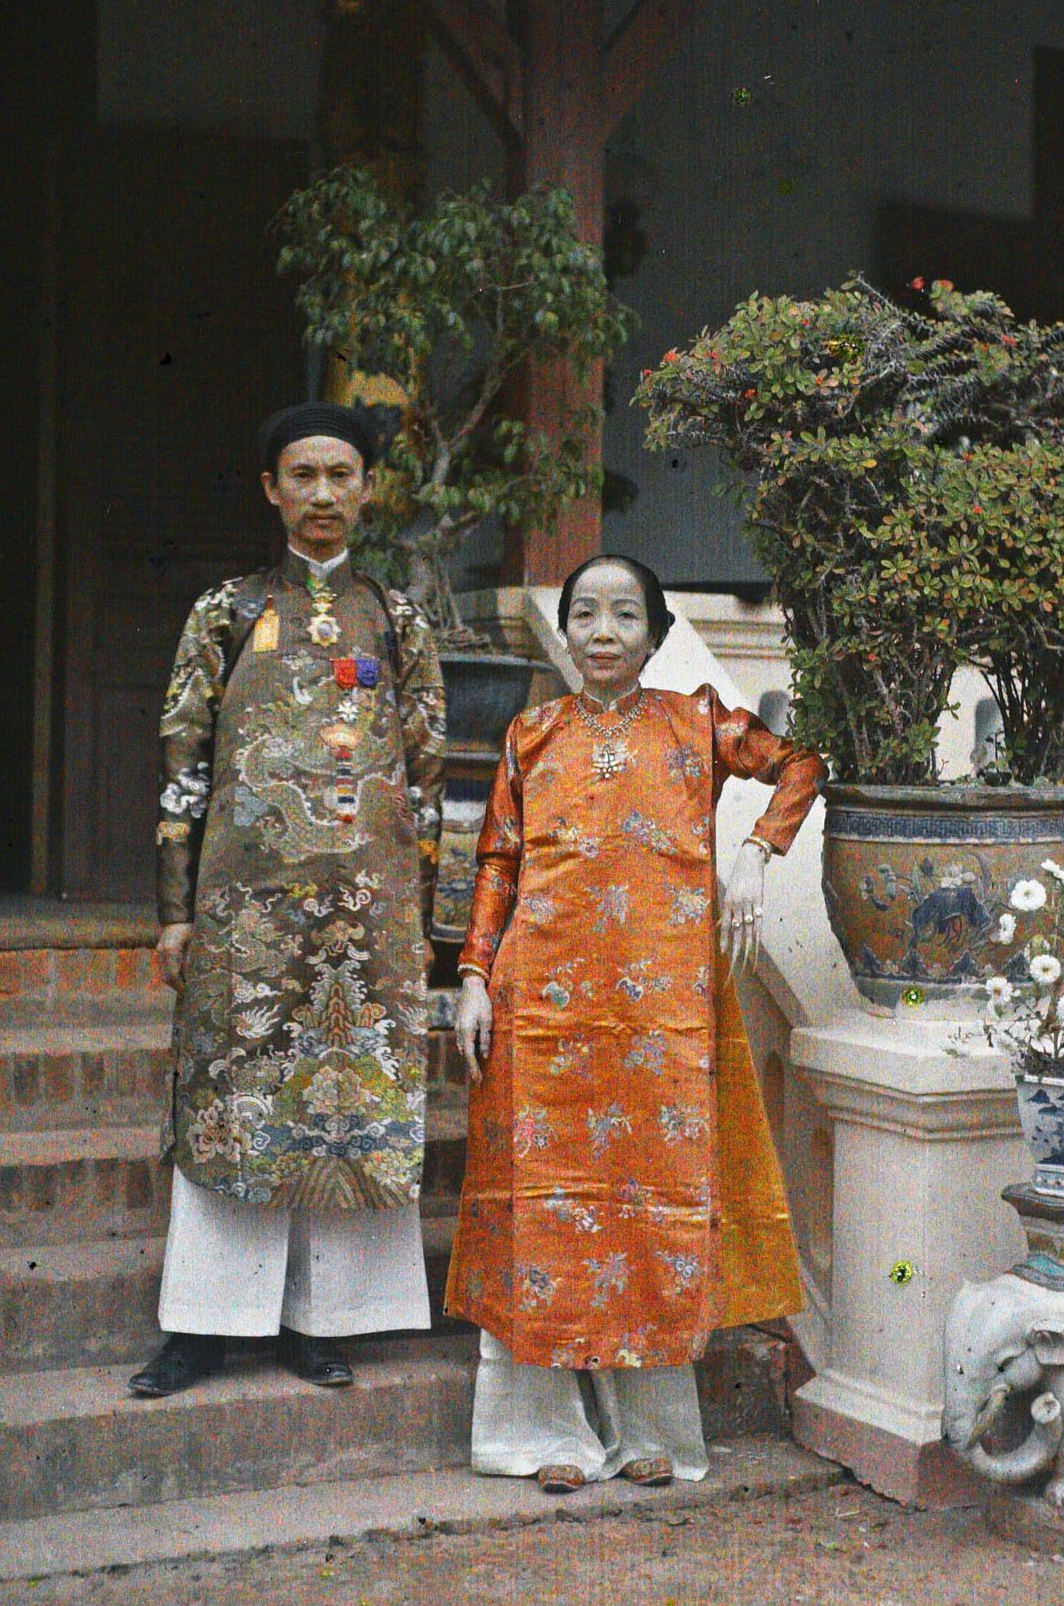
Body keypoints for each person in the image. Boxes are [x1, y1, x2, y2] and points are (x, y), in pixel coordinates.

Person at [445, 556, 824, 1489]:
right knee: (546, 1215)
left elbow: (801, 766)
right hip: (540, 1011)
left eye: (624, 615)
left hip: (661, 1013)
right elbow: (497, 862)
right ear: (566, 631)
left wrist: (752, 854)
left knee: (649, 1211)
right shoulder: (529, 735)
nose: (602, 631)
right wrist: (473, 978)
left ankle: (649, 1435)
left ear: (653, 635)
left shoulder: (695, 722)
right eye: (585, 614)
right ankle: (543, 1437)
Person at [130, 400, 445, 1398]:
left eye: (339, 475)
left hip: (367, 914)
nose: (320, 495)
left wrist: (422, 919)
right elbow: (183, 760)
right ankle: (201, 1326)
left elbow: (429, 779)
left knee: (342, 1106)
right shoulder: (225, 611)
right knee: (235, 1104)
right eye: (301, 475)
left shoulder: (397, 618)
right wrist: (175, 908)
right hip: (244, 913)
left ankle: (322, 1319)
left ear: (367, 489)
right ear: (272, 488)